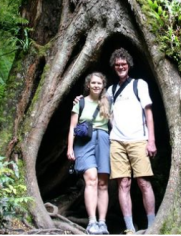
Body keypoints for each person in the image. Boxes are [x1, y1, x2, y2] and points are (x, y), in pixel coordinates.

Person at [107, 48, 156, 234]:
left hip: (138, 140)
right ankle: (129, 228)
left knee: (143, 182)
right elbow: (100, 106)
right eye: (117, 64)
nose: (121, 66)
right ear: (114, 66)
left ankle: (152, 225)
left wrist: (151, 140)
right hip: (117, 142)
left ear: (129, 64)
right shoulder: (111, 90)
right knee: (123, 184)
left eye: (123, 63)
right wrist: (79, 100)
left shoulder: (139, 84)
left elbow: (148, 113)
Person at [68, 72, 112, 235]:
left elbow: (114, 121)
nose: (96, 85)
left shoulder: (108, 102)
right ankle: (92, 221)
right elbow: (72, 127)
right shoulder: (80, 103)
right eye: (93, 83)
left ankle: (102, 223)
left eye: (99, 83)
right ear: (88, 85)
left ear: (103, 85)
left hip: (103, 140)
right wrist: (70, 148)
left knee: (102, 183)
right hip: (84, 142)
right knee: (91, 179)